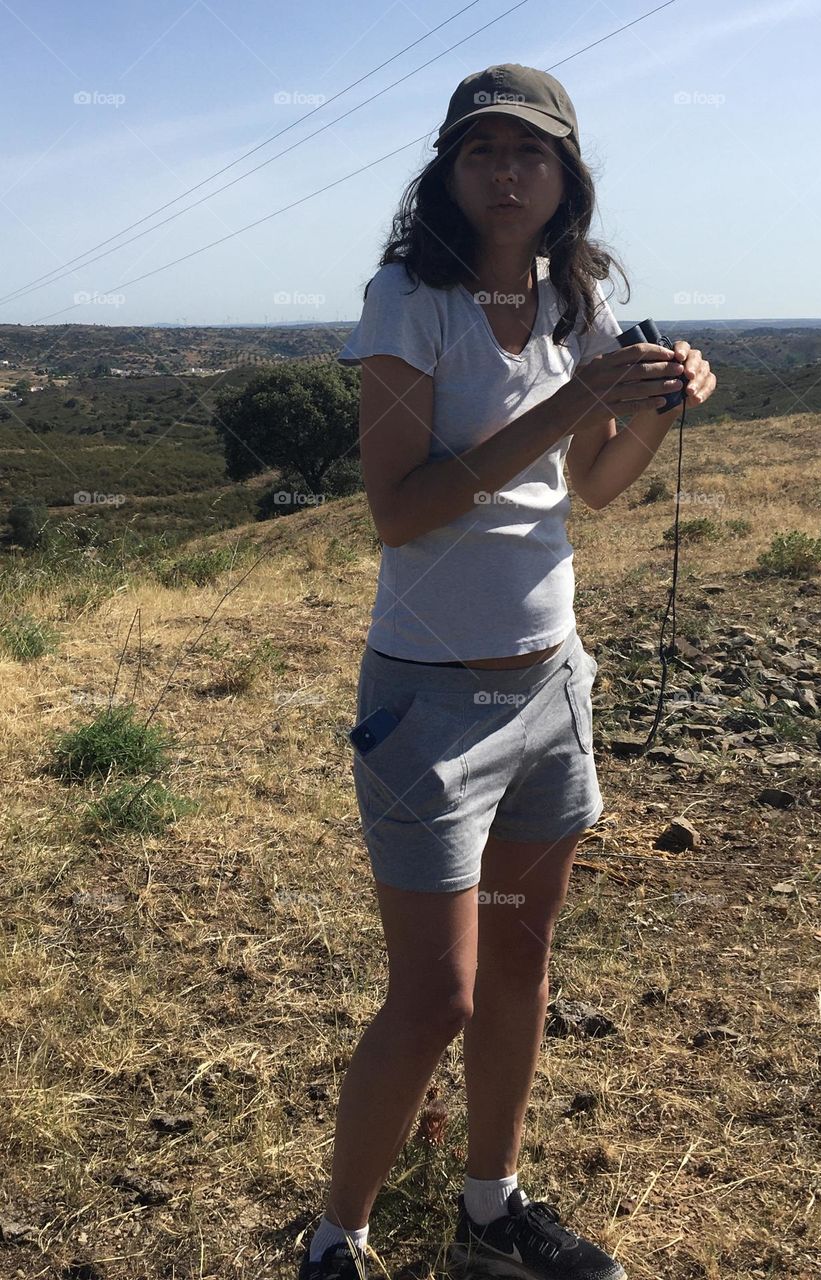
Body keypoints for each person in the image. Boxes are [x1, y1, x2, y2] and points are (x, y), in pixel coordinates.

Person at [299, 63, 716, 1280]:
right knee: (434, 996)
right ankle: (339, 1237)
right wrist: (571, 397)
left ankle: (492, 1208)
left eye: (529, 152)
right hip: (429, 698)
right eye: (482, 150)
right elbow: (400, 509)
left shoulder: (565, 295)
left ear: (565, 177)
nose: (506, 170)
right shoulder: (407, 300)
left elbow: (592, 483)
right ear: (448, 171)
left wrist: (648, 406)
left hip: (552, 682)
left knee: (524, 956)